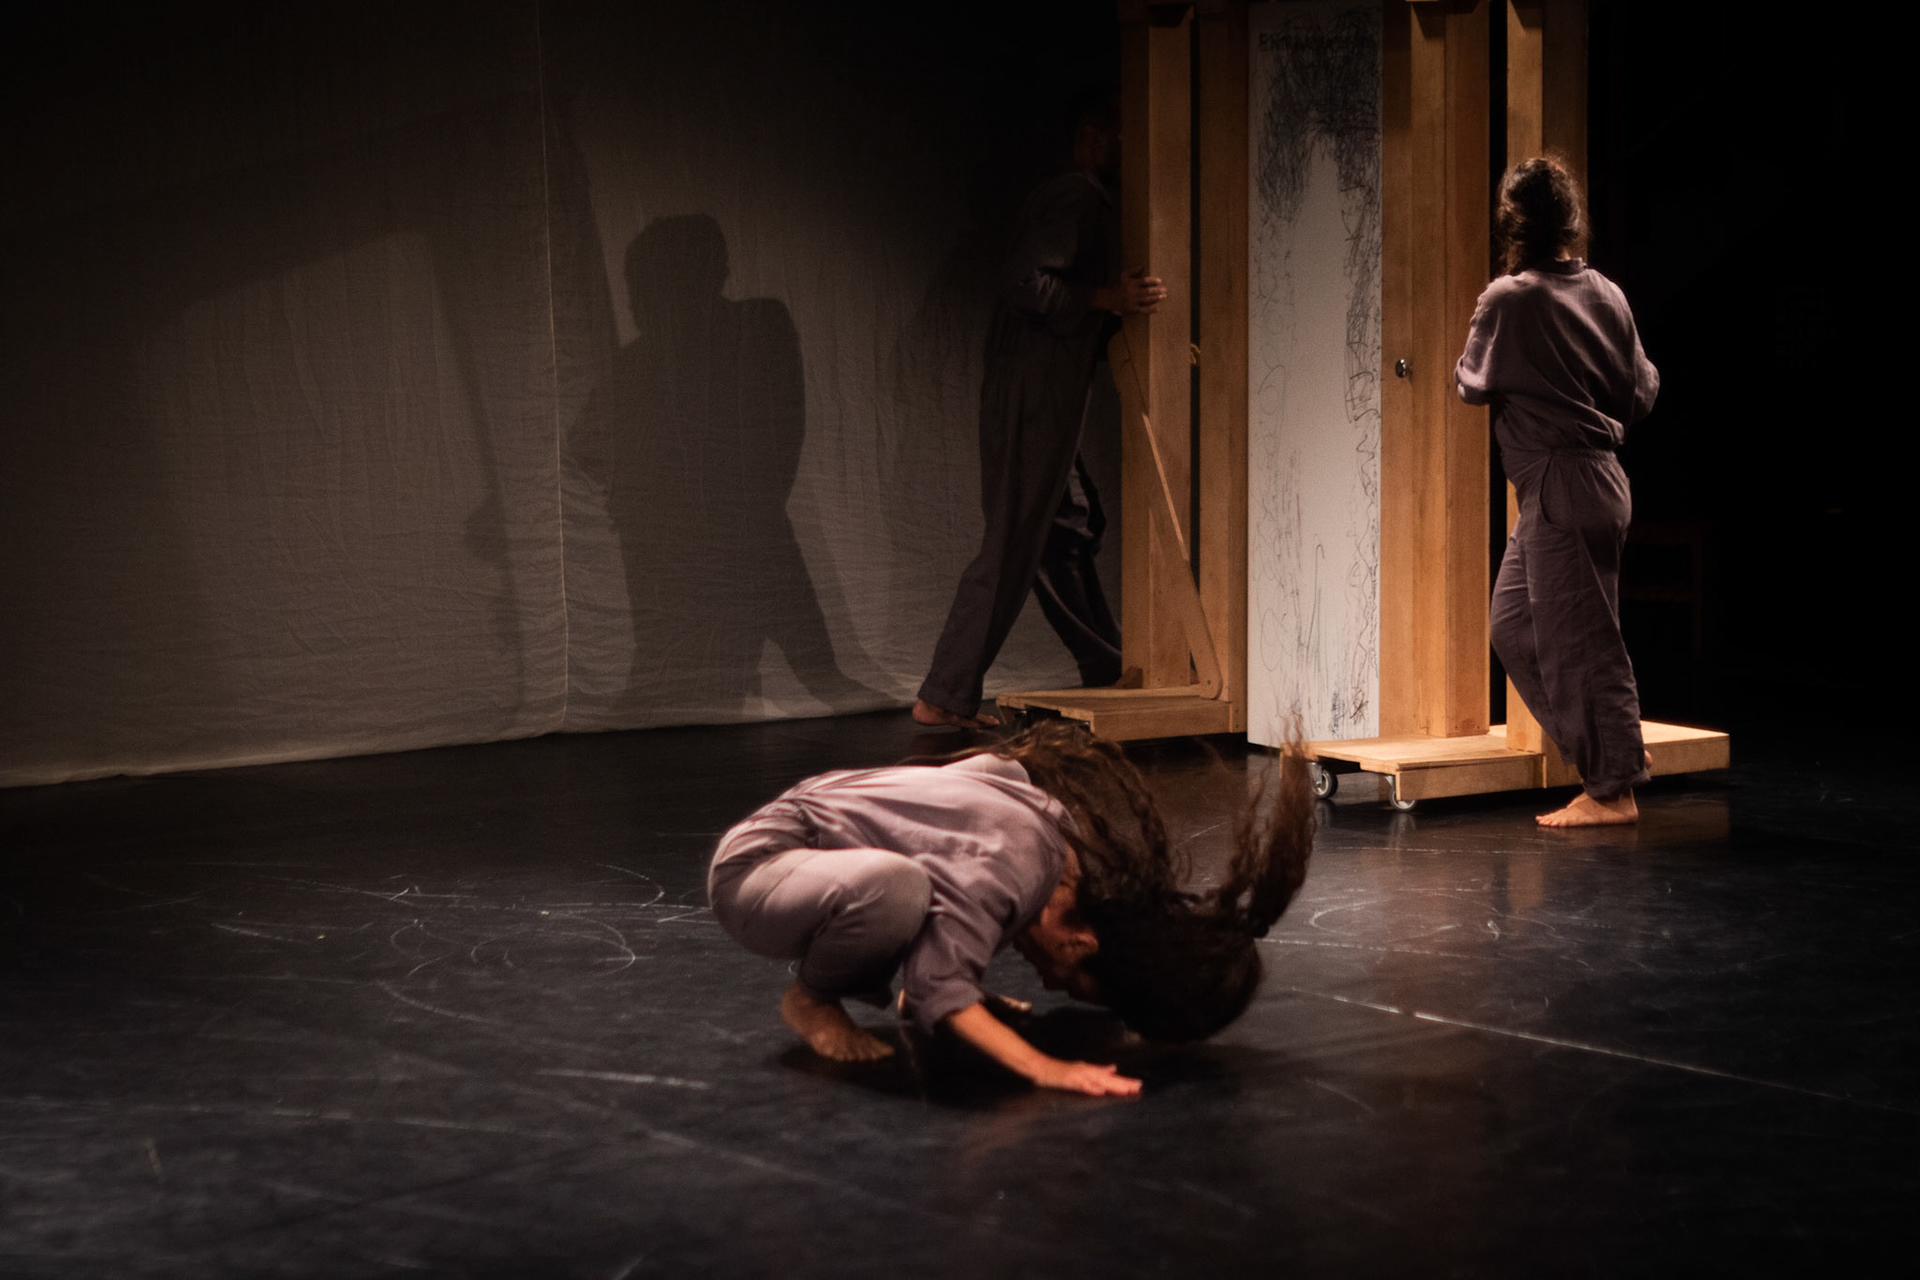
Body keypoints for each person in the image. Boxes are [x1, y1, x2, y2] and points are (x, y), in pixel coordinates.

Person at [706, 721, 1316, 1096]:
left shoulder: (1060, 852)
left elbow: (974, 809)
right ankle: (812, 998)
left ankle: (908, 964)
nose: (1047, 983)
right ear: (1080, 942)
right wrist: (1046, 1069)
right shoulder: (1008, 875)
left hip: (816, 863)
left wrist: (953, 987)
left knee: (947, 859)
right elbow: (941, 982)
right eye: (1067, 981)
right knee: (898, 887)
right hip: (759, 870)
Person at [912, 91, 1168, 730]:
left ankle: (1105, 663)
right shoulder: (1075, 194)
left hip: (1043, 391)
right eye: (1122, 137)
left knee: (1068, 527)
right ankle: (943, 694)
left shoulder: (1078, 198)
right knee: (1012, 538)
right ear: (1093, 136)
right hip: (1032, 395)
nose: (1130, 151)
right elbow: (1026, 283)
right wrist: (1109, 297)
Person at [1456, 156, 1660, 828]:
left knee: (1583, 643)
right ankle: (1611, 755)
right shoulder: (1606, 292)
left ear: (1511, 224)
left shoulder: (1509, 299)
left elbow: (1471, 382)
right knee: (1514, 626)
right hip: (1587, 484)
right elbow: (1642, 391)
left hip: (1563, 485)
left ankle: (1612, 790)